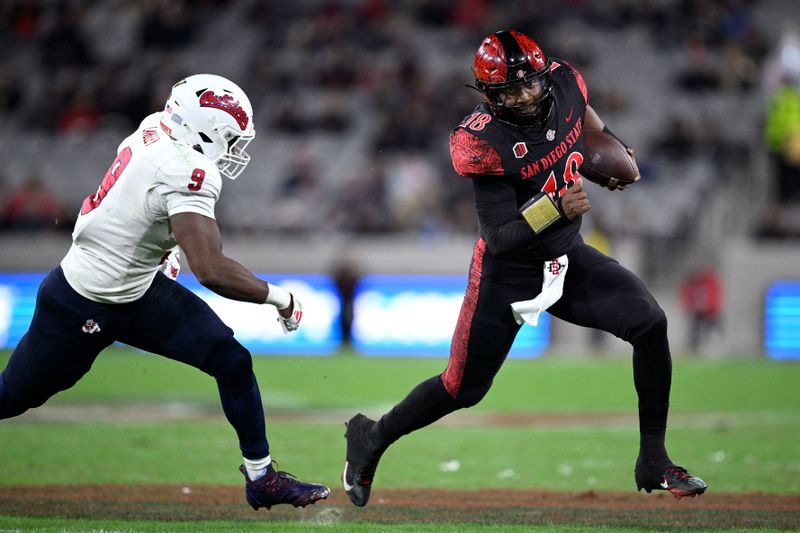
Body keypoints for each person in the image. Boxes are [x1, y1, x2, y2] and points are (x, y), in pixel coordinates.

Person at [342, 29, 707, 506]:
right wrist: (556, 206)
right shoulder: (482, 140)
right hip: (508, 274)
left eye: (528, 85)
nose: (522, 96)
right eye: (507, 91)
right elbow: (499, 236)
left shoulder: (567, 83)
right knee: (461, 388)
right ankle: (372, 437)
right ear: (488, 95)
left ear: (544, 76)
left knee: (650, 323)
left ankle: (654, 460)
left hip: (566, 257)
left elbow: (586, 122)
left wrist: (605, 152)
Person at [0, 74, 330, 510]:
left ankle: (262, 479)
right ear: (205, 128)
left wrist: (162, 249)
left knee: (231, 359)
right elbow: (211, 269)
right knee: (15, 397)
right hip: (81, 301)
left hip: (135, 287)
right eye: (229, 137)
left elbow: (133, 204)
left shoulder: (156, 126)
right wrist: (278, 298)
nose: (232, 149)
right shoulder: (187, 170)